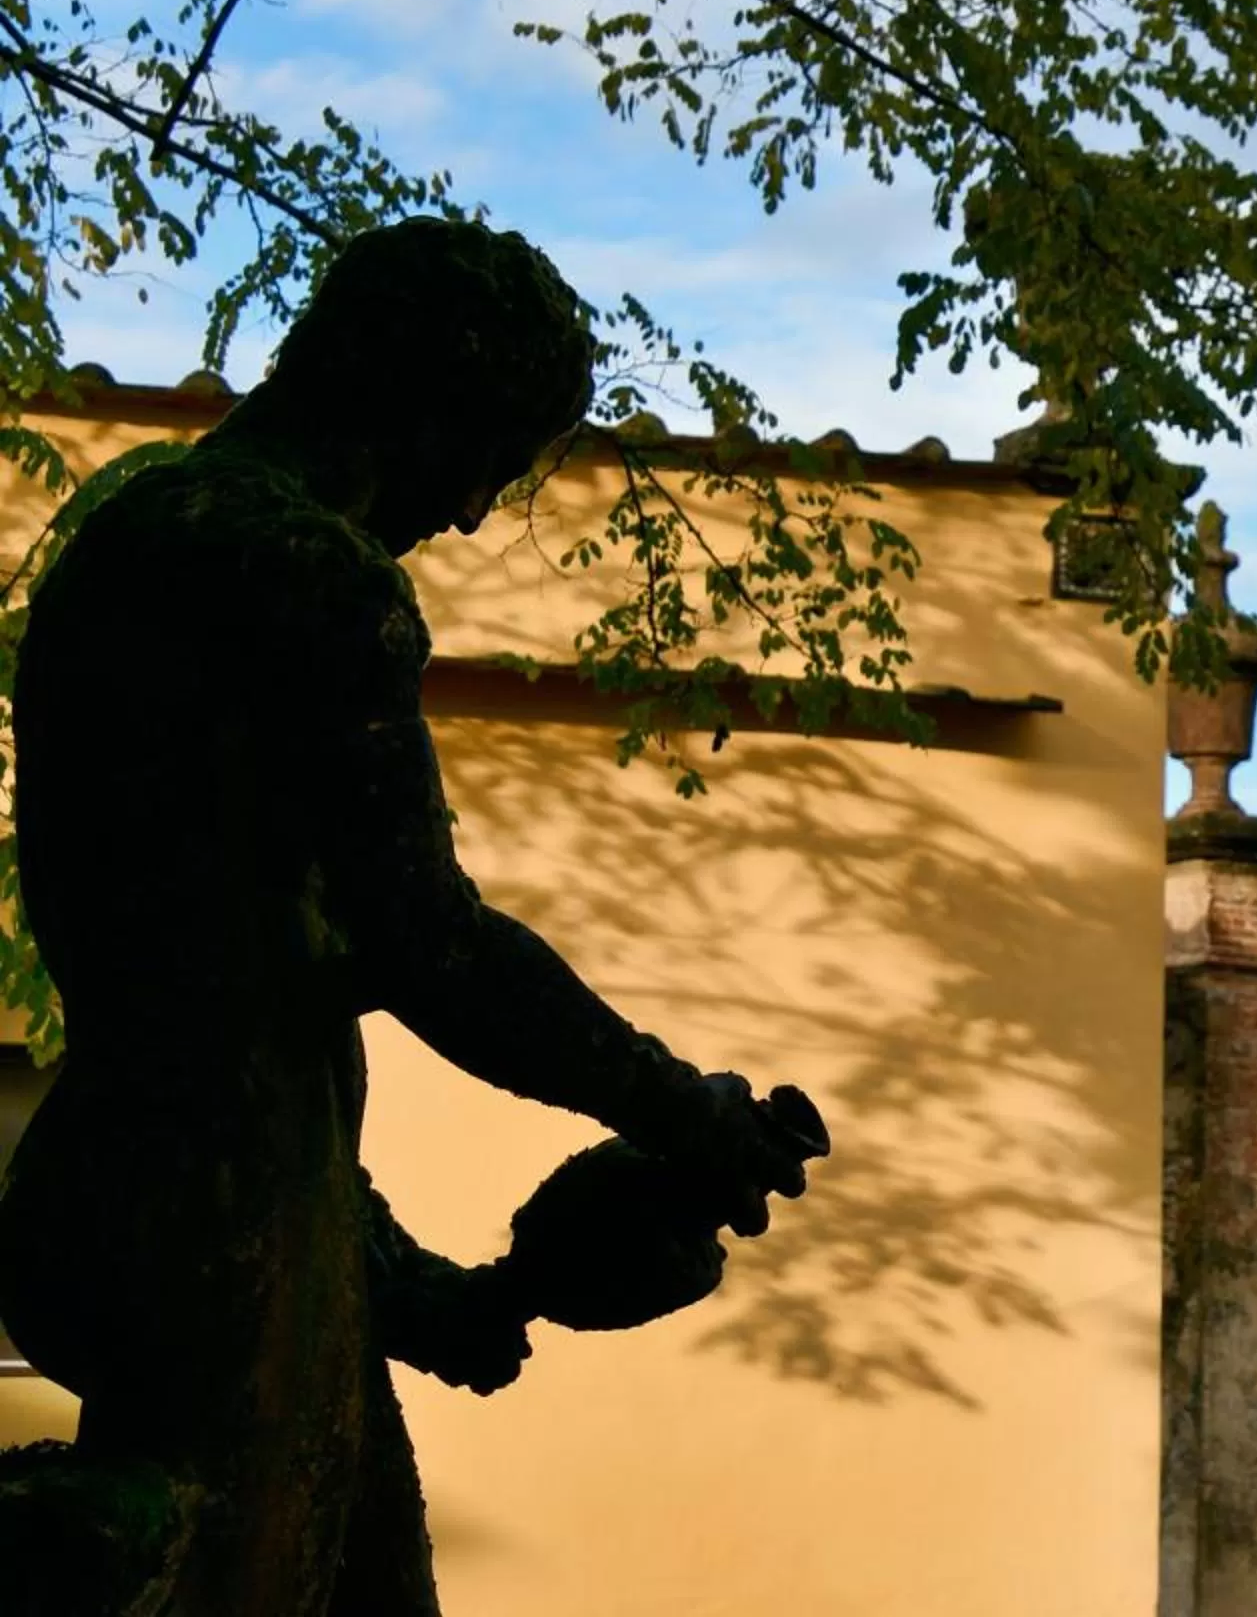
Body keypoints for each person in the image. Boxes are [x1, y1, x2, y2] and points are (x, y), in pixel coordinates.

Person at [0, 218, 824, 1615]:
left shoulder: (137, 531)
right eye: (486, 456)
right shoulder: (303, 572)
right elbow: (428, 945)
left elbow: (251, 1005)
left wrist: (433, 1297)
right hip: (213, 1225)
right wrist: (683, 1111)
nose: (473, 512)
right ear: (416, 391)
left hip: (165, 1184)